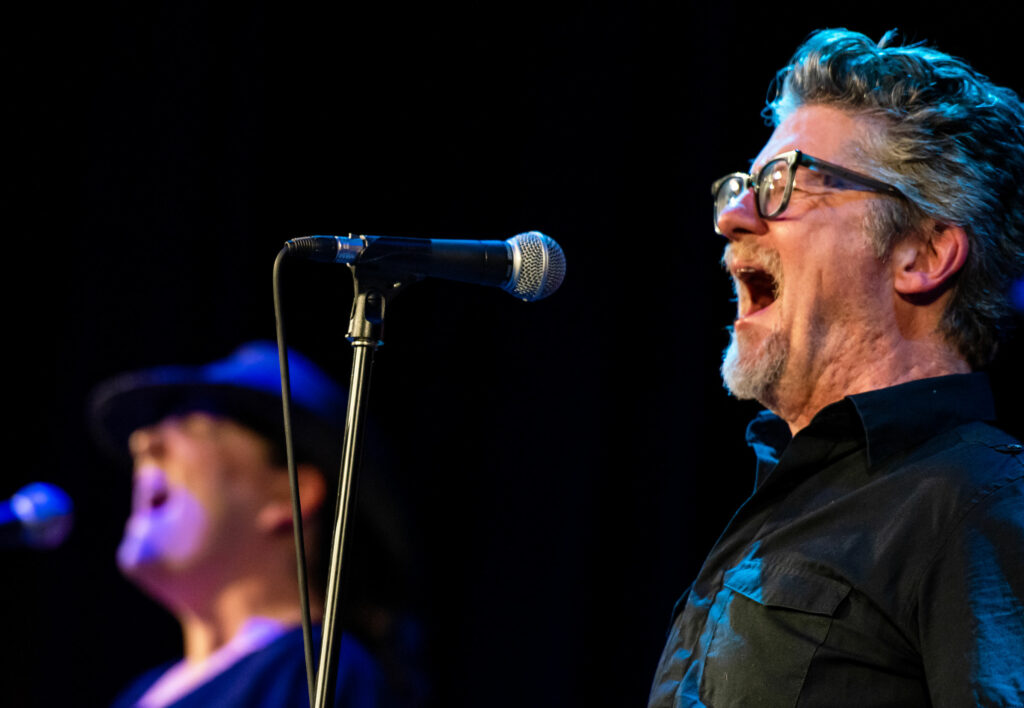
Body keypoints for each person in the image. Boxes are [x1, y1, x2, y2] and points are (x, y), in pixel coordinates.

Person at [649, 29, 1024, 707]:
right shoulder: (786, 501)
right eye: (744, 185)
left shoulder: (982, 503)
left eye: (782, 183)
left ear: (923, 254)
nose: (732, 217)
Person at [90, 341, 413, 707]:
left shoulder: (320, 675)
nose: (144, 442)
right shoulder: (137, 694)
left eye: (193, 423)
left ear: (291, 494)